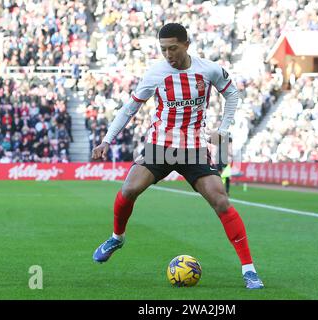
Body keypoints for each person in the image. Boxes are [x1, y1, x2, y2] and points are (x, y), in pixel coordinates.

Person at [91, 23, 264, 289]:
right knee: (129, 188)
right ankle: (117, 237)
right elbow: (129, 109)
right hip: (160, 145)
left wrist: (225, 127)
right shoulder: (155, 73)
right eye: (163, 49)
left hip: (194, 147)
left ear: (186, 44)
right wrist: (106, 140)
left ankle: (249, 270)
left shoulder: (208, 69)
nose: (168, 54)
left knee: (220, 200)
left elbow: (231, 92)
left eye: (173, 48)